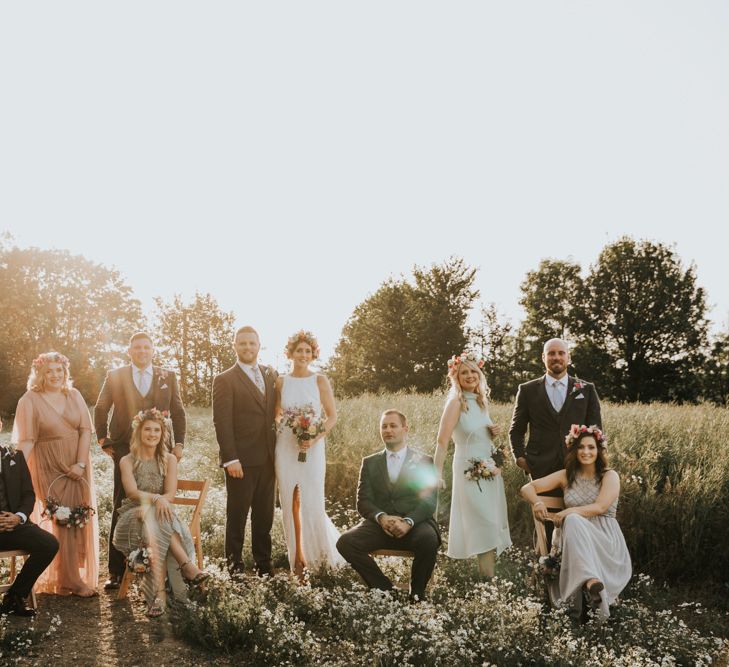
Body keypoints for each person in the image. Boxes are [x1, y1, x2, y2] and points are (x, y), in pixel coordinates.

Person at [94, 331, 187, 590]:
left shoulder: (167, 376)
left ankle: (165, 570)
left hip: (159, 448)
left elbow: (178, 411)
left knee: (160, 502)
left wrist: (178, 444)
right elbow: (101, 407)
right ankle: (116, 570)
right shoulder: (115, 376)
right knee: (122, 502)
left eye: (146, 347)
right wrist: (103, 439)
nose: (142, 351)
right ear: (129, 350)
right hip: (124, 448)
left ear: (153, 350)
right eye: (137, 347)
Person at [521, 425, 631, 620]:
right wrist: (537, 502)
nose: (586, 452)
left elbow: (600, 507)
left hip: (603, 540)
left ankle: (589, 583)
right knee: (572, 521)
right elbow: (527, 487)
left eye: (591, 447)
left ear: (599, 450)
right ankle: (590, 581)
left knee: (572, 518)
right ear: (573, 450)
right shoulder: (566, 475)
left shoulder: (609, 476)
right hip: (571, 538)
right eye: (581, 447)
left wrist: (569, 511)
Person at [12, 352, 99, 597]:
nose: (55, 375)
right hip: (48, 465)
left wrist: (80, 464)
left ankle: (70, 575)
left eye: (59, 370)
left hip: (76, 464)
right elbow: (27, 441)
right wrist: (15, 471)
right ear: (39, 373)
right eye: (49, 371)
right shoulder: (29, 399)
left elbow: (85, 431)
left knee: (78, 518)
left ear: (65, 373)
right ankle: (68, 580)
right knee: (60, 519)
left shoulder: (74, 395)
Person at [113, 408, 207, 618]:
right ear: (139, 432)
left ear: (162, 433)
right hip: (133, 515)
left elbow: (170, 494)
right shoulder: (126, 460)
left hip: (160, 514)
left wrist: (155, 505)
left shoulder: (169, 460)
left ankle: (157, 596)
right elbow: (131, 492)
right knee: (157, 519)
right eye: (148, 429)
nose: (152, 434)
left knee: (156, 525)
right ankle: (187, 566)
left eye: (157, 430)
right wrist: (154, 500)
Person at [337, 410, 440, 602]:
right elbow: (363, 501)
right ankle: (385, 590)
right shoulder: (370, 462)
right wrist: (382, 518)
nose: (388, 430)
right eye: (384, 426)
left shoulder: (423, 461)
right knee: (345, 542)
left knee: (429, 540)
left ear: (405, 429)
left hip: (415, 524)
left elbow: (429, 501)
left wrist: (408, 521)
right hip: (379, 527)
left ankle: (417, 595)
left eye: (393, 425)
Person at [434, 352, 511, 579]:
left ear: (479, 374)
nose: (469, 376)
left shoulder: (480, 401)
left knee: (489, 521)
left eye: (472, 371)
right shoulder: (456, 403)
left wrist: (492, 432)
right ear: (455, 377)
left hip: (488, 470)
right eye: (463, 372)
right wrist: (436, 473)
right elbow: (442, 440)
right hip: (468, 471)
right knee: (483, 522)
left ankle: (487, 578)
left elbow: (478, 436)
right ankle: (487, 580)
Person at [274, 330, 344, 579]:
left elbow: (332, 416)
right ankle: (297, 562)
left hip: (313, 448)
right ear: (290, 353)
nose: (303, 355)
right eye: (298, 350)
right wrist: (291, 429)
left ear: (312, 354)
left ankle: (321, 560)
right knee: (289, 502)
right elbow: (276, 414)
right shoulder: (281, 381)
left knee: (312, 500)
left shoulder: (320, 380)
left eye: (307, 351)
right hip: (285, 446)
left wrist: (312, 436)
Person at [212, 325, 277, 576]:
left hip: (269, 459)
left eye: (252, 343)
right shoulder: (224, 379)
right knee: (237, 517)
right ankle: (234, 568)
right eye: (242, 343)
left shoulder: (270, 375)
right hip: (240, 461)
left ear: (259, 346)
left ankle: (264, 566)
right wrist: (230, 459)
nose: (247, 347)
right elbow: (222, 421)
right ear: (235, 346)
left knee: (264, 519)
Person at [509, 339, 602, 483]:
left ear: (568, 358)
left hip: (578, 466)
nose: (556, 357)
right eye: (551, 353)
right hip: (540, 468)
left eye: (561, 353)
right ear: (543, 357)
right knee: (542, 506)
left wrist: (592, 463)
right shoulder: (527, 390)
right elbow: (516, 430)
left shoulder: (586, 389)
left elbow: (596, 430)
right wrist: (520, 459)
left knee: (578, 507)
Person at [0, 418, 60, 617]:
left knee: (49, 544)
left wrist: (18, 517)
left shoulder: (15, 457)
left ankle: (14, 596)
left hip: (14, 524)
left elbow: (28, 494)